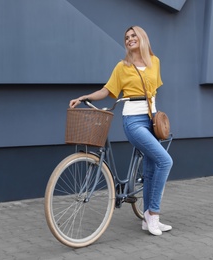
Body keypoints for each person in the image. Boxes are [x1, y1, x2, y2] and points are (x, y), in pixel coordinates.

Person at [69, 26, 173, 236]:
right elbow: (106, 91)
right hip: (133, 122)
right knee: (165, 161)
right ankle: (153, 214)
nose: (130, 39)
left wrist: (156, 119)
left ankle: (147, 219)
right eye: (127, 37)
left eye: (134, 35)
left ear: (143, 37)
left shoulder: (155, 62)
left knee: (152, 168)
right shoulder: (122, 67)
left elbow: (153, 92)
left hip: (151, 121)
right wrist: (83, 97)